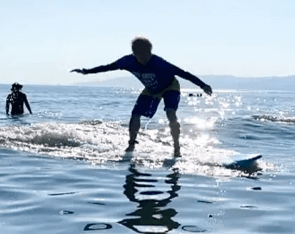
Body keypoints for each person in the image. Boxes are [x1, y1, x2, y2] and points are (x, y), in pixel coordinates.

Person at [71, 37, 212, 157]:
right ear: (135, 54)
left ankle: (176, 148)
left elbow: (183, 73)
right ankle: (131, 144)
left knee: (170, 113)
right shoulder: (127, 61)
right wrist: (86, 71)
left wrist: (202, 85)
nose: (146, 58)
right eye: (142, 55)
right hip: (151, 90)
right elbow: (107, 67)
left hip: (170, 86)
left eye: (148, 54)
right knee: (135, 114)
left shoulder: (158, 62)